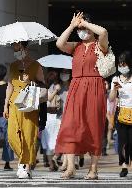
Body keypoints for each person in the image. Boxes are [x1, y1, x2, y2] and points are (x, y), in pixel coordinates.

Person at [55, 12, 109, 179]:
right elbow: (59, 43)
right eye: (80, 29)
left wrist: (85, 22)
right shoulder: (75, 46)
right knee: (70, 125)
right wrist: (72, 25)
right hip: (76, 86)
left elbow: (104, 32)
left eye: (84, 29)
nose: (82, 31)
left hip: (94, 87)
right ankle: (70, 168)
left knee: (93, 127)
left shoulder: (100, 45)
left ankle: (93, 169)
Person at [3, 41, 45, 179]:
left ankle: (26, 166)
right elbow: (9, 86)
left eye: (18, 48)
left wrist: (30, 82)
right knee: (12, 135)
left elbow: (43, 84)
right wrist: (5, 105)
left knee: (28, 135)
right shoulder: (13, 66)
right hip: (14, 103)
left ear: (25, 48)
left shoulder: (36, 65)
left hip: (29, 102)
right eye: (14, 48)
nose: (15, 51)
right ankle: (23, 159)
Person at [109, 51, 132, 177]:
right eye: (120, 64)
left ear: (129, 64)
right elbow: (111, 98)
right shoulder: (115, 79)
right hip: (121, 111)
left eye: (124, 64)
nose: (122, 66)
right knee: (123, 142)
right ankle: (124, 166)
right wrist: (114, 89)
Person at [41, 70, 61, 172]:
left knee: (48, 142)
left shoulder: (44, 88)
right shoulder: (51, 89)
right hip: (53, 117)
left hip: (46, 118)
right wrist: (56, 91)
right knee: (58, 140)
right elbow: (48, 99)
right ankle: (54, 159)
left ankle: (51, 165)